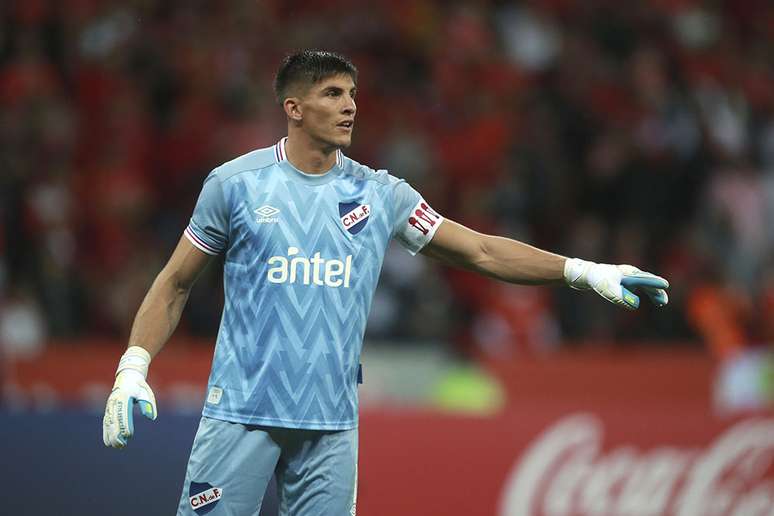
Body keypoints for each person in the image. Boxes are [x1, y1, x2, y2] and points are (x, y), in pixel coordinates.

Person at [102, 50, 669, 516]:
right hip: (241, 414)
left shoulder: (381, 195)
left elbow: (481, 250)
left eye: (352, 94)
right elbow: (174, 283)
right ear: (294, 108)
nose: (349, 106)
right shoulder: (235, 186)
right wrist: (133, 367)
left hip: (330, 429)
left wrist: (586, 271)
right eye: (332, 94)